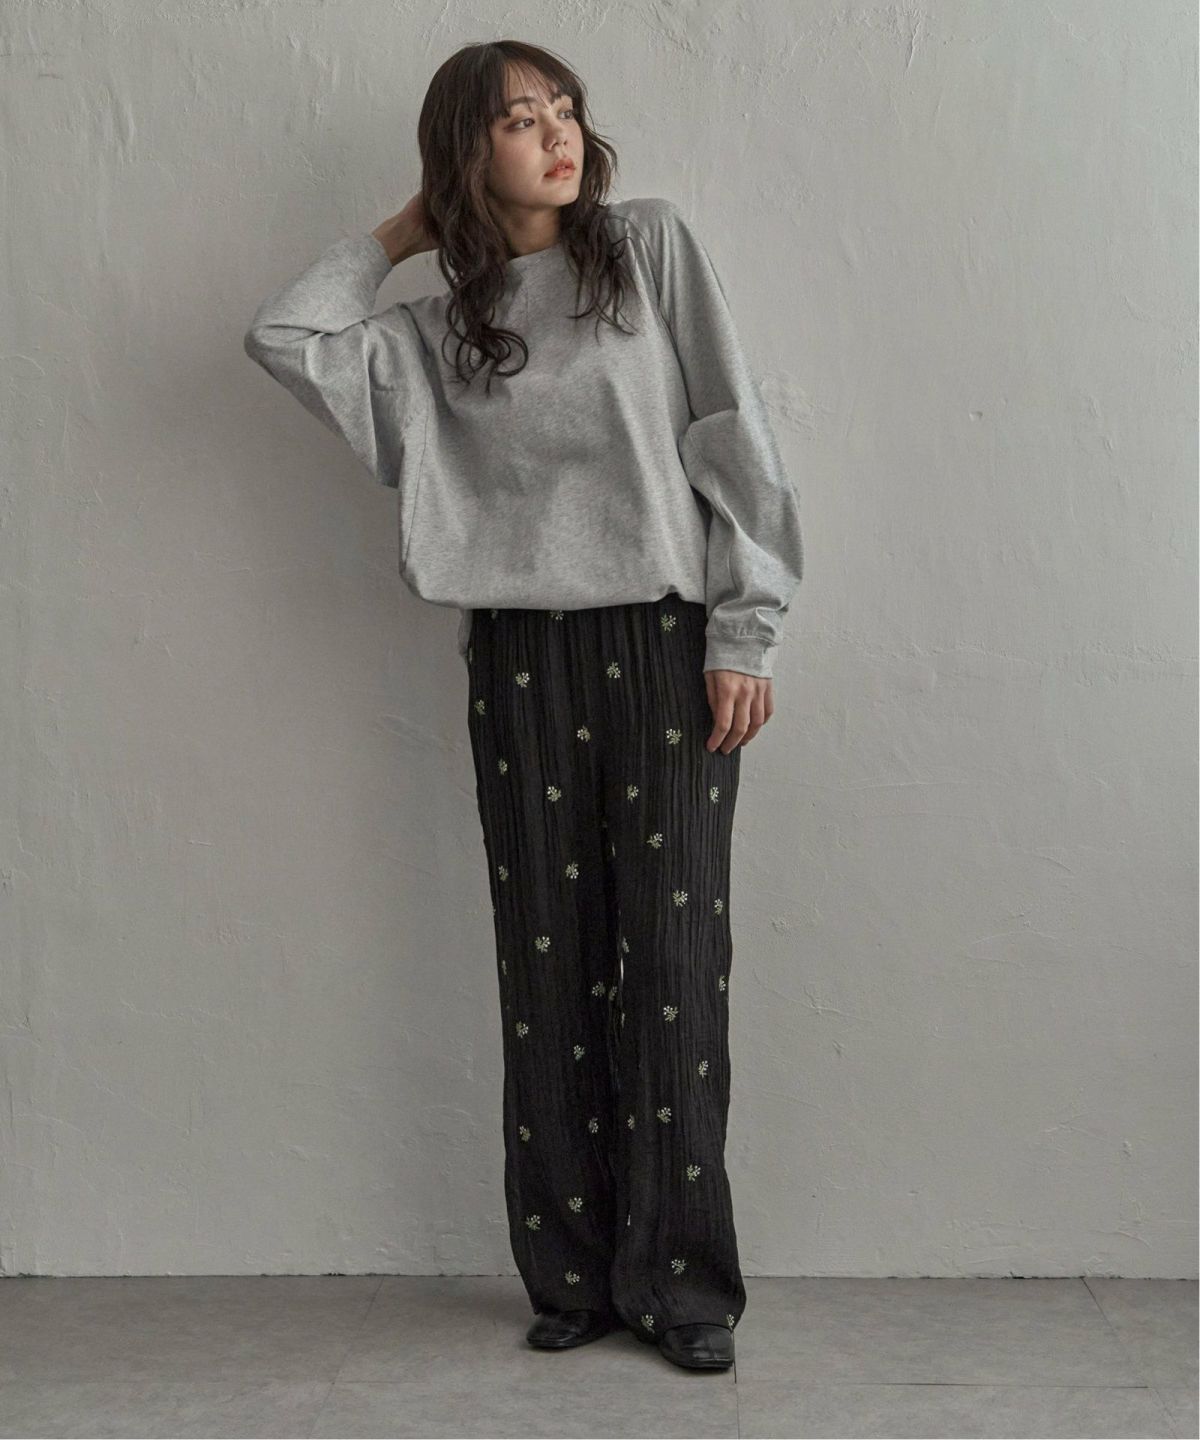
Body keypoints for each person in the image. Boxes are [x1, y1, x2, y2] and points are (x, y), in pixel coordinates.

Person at [243, 40, 804, 1373]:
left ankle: (681, 1284)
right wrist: (400, 234)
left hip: (665, 644)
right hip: (519, 661)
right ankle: (573, 1274)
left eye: (564, 109)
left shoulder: (647, 249)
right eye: (517, 118)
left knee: (671, 967)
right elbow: (284, 340)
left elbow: (731, 432)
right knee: (547, 966)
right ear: (465, 152)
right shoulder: (434, 330)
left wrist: (747, 628)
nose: (556, 134)